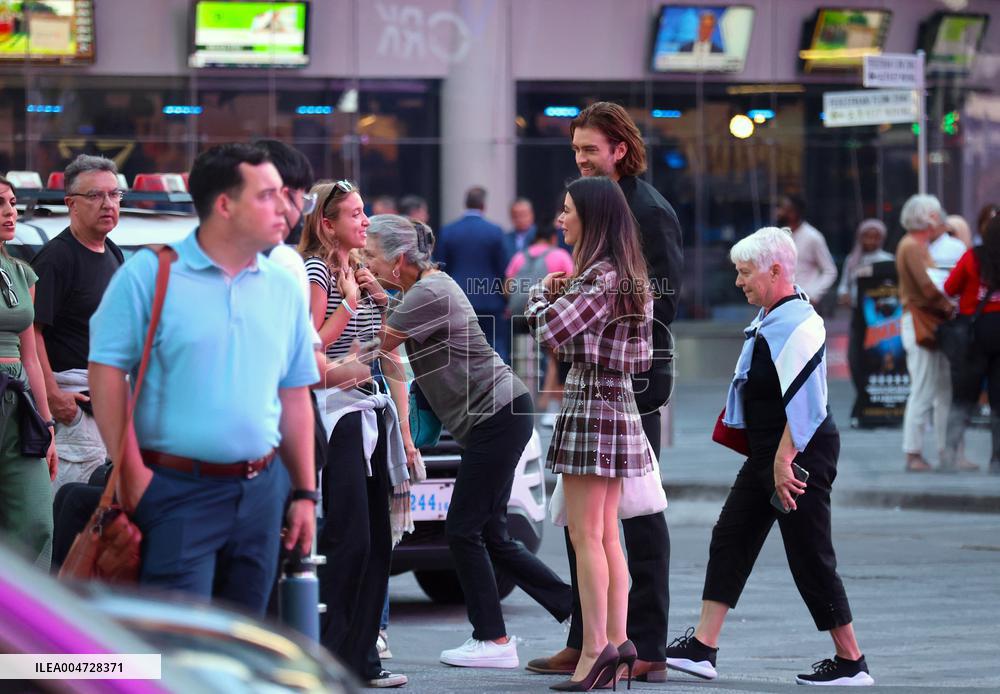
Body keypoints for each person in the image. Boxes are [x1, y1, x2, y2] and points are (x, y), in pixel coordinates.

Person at [88, 143, 318, 615]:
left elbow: (294, 394)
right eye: (267, 195)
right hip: (175, 489)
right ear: (225, 205)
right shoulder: (150, 274)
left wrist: (303, 492)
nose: (285, 207)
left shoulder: (282, 286)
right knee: (178, 647)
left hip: (262, 490)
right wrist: (132, 476)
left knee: (242, 643)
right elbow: (106, 373)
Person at [663, 226, 874, 687]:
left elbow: (807, 404)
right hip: (772, 453)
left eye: (745, 273)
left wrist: (782, 462)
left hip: (796, 454)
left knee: (809, 553)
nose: (739, 282)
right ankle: (702, 647)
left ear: (775, 270)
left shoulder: (798, 321)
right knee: (731, 537)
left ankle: (852, 661)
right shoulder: (774, 316)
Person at [364, 214, 572, 669]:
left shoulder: (428, 292)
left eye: (372, 257)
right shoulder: (425, 287)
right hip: (500, 415)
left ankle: (493, 640)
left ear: (399, 260)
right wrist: (381, 297)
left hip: (495, 419)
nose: (366, 264)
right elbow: (395, 332)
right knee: (494, 534)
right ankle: (578, 611)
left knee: (462, 528)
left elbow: (379, 346)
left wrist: (362, 298)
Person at [528, 100, 682, 683]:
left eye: (589, 149)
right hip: (609, 378)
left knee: (632, 520)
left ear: (620, 149)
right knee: (589, 524)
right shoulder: (599, 232)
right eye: (576, 151)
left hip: (626, 384)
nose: (582, 160)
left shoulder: (647, 212)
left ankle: (641, 644)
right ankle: (592, 636)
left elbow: (661, 304)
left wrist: (577, 309)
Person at [526, 176, 654, 691]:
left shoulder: (599, 276)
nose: (560, 219)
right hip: (617, 401)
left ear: (591, 217)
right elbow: (641, 356)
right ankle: (617, 642)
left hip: (589, 403)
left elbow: (547, 330)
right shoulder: (628, 274)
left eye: (566, 211)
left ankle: (597, 652)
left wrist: (541, 295)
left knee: (586, 537)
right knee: (604, 536)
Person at [298, 182, 414, 689]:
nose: (366, 222)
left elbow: (381, 354)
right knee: (351, 539)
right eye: (355, 214)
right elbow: (308, 355)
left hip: (365, 410)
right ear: (327, 224)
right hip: (334, 416)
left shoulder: (354, 273)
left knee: (376, 543)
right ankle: (330, 653)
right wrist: (348, 307)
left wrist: (375, 300)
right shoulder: (317, 271)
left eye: (366, 212)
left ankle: (363, 655)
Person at [32, 155, 125, 494]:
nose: (108, 204)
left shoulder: (113, 253)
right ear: (71, 203)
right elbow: (32, 333)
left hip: (110, 408)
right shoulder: (58, 257)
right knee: (74, 518)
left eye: (114, 195)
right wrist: (55, 398)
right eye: (96, 196)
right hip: (74, 412)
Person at [0, 175, 57, 569]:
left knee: (38, 521)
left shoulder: (22, 272)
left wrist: (47, 423)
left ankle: (18, 621)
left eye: (12, 202)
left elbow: (32, 354)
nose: (9, 212)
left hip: (18, 403)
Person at [895, 195, 959, 473]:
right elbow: (926, 285)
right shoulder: (912, 245)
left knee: (936, 387)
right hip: (921, 320)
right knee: (924, 388)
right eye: (933, 214)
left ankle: (943, 449)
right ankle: (914, 452)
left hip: (923, 320)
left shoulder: (915, 244)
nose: (938, 219)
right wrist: (949, 305)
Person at [943, 214, 1000, 473]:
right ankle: (997, 459)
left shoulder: (971, 257)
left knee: (963, 396)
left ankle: (951, 454)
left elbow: (950, 287)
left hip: (973, 335)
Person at [434, 186, 510, 364]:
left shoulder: (448, 231)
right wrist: (506, 299)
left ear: (465, 204)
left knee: (460, 349)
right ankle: (498, 388)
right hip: (490, 300)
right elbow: (502, 270)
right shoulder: (495, 231)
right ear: (483, 205)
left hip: (458, 299)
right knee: (494, 348)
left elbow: (441, 268)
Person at [505, 224, 573, 414]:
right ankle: (545, 402)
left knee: (520, 358)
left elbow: (507, 286)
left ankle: (521, 400)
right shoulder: (560, 255)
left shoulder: (520, 256)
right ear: (553, 238)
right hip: (545, 315)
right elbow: (572, 285)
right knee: (555, 356)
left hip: (519, 315)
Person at [775, 194, 837, 308]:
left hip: (803, 302)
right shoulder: (779, 235)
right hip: (780, 301)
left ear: (794, 213)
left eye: (782, 209)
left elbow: (830, 271)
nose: (777, 212)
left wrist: (813, 295)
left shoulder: (813, 237)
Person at [928, 211, 967, 289]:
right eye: (928, 225)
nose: (930, 228)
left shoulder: (957, 247)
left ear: (943, 225)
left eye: (933, 225)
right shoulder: (920, 245)